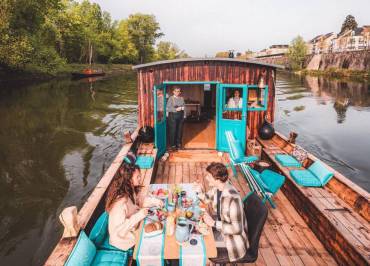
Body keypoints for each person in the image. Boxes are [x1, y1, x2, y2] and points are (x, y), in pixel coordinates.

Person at [193, 162, 248, 263]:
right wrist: (198, 191)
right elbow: (206, 198)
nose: (206, 178)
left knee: (200, 247)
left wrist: (213, 223)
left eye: (209, 176)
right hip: (222, 230)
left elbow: (237, 229)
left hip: (232, 243)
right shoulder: (218, 188)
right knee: (196, 233)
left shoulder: (233, 199)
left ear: (217, 179)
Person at [105, 159, 163, 251]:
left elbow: (138, 203)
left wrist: (155, 201)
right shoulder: (120, 203)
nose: (140, 178)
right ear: (129, 180)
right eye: (138, 177)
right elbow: (119, 231)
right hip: (123, 240)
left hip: (133, 226)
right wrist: (139, 216)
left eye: (140, 176)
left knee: (157, 225)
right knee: (155, 237)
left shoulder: (130, 190)